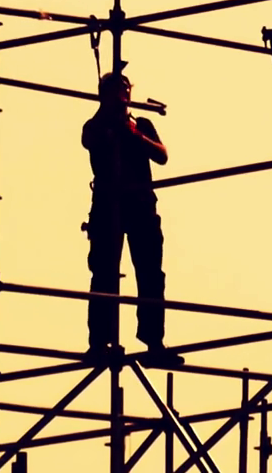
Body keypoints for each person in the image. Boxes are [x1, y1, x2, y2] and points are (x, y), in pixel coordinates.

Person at [81, 70, 183, 367]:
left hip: (141, 206)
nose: (121, 95)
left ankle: (153, 342)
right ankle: (99, 342)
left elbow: (162, 155)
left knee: (151, 275)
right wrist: (111, 124)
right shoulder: (95, 126)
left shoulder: (141, 125)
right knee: (104, 274)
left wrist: (133, 134)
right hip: (107, 206)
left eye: (123, 89)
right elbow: (90, 141)